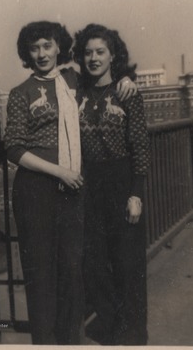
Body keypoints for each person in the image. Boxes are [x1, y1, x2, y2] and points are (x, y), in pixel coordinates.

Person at [3, 21, 137, 345]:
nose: (41, 54)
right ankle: (45, 342)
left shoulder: (73, 79)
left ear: (58, 47)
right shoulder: (21, 93)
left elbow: (105, 70)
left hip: (73, 190)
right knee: (41, 273)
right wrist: (59, 171)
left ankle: (69, 341)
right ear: (27, 53)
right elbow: (14, 148)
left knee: (71, 270)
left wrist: (126, 78)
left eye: (47, 46)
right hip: (36, 190)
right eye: (34, 48)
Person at [72, 23, 151, 345]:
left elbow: (140, 148)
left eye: (100, 52)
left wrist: (136, 193)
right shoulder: (76, 92)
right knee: (93, 263)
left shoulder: (126, 92)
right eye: (88, 52)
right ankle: (109, 325)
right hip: (88, 185)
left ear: (112, 55)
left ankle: (132, 333)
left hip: (121, 183)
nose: (93, 58)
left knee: (127, 262)